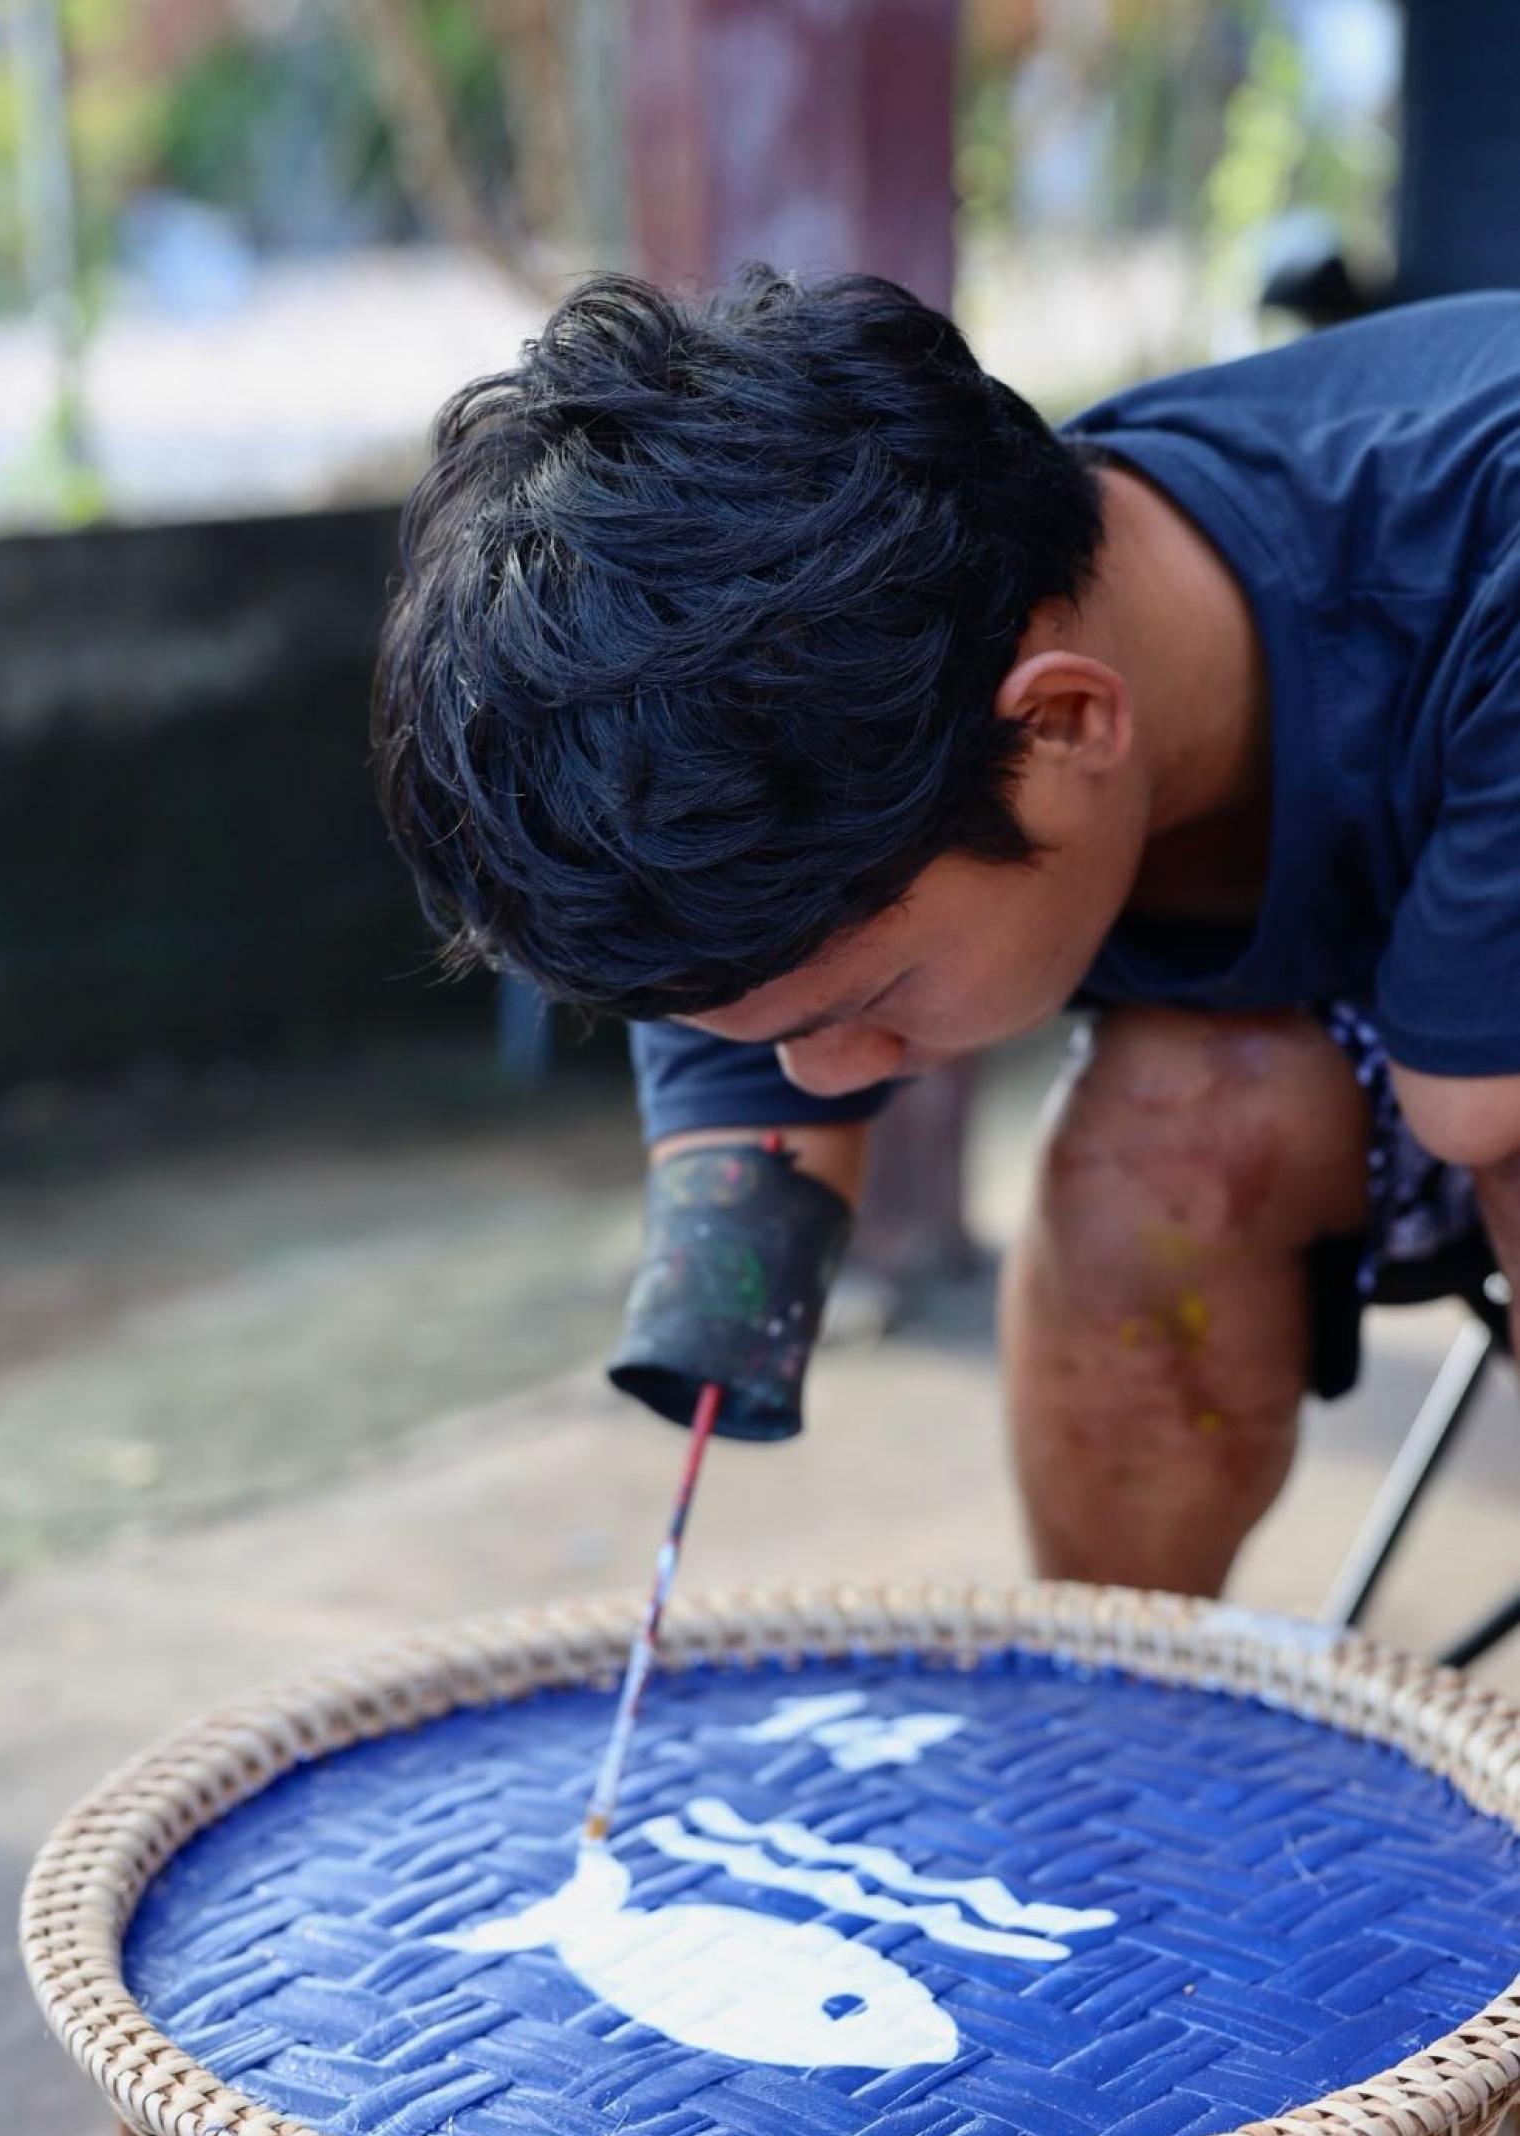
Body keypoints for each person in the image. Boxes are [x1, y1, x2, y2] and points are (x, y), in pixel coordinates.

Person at [373, 266, 1520, 1595]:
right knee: (1180, 1125)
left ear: (1064, 724)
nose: (831, 1069)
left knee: (1493, 1119)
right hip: (1426, 1002)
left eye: (861, 1005)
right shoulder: (901, 660)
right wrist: (727, 1277)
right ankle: (1105, 1726)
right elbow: (752, 984)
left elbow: (1480, 1102)